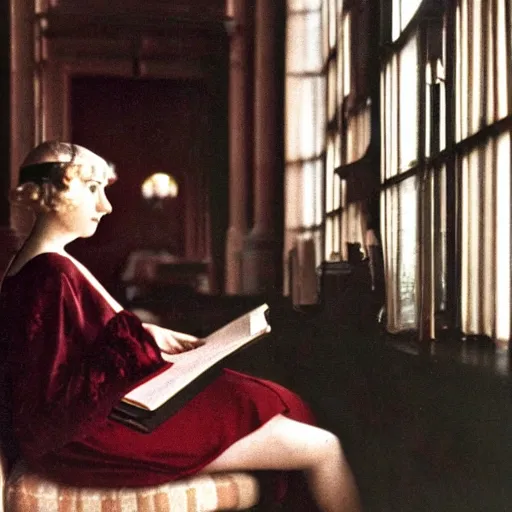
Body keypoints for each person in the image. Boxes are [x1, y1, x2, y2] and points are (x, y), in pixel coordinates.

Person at [0, 141, 361, 512]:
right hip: (86, 439)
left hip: (94, 424)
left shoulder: (43, 262)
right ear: (52, 192)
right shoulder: (51, 272)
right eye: (93, 188)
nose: (105, 205)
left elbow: (78, 340)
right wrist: (133, 346)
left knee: (262, 399)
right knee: (321, 446)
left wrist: (145, 335)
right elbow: (53, 402)